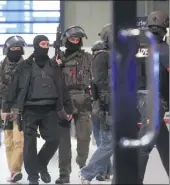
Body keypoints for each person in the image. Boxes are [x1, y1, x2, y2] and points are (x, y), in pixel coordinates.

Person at [1, 35, 73, 184]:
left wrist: (68, 107)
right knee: (29, 144)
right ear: (36, 45)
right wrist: (6, 108)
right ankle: (33, 176)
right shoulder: (24, 66)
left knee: (54, 140)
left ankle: (40, 165)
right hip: (29, 110)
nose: (46, 46)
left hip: (50, 110)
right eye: (42, 43)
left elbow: (62, 88)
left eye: (47, 44)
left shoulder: (54, 66)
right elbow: (13, 88)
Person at [0, 35, 27, 182]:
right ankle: (13, 172)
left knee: (19, 141)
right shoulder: (0, 68)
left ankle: (15, 169)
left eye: (18, 48)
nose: (16, 50)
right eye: (13, 48)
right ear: (7, 50)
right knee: (9, 141)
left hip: (22, 109)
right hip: (5, 108)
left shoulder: (28, 66)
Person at [54, 26, 93, 184]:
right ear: (65, 40)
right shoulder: (58, 59)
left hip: (83, 100)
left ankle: (82, 166)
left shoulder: (88, 58)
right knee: (63, 141)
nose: (76, 42)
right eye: (72, 39)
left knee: (84, 136)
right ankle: (64, 173)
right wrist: (56, 65)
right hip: (64, 101)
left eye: (78, 39)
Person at [79, 24, 113, 184]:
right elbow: (101, 83)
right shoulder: (102, 57)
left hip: (103, 106)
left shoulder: (109, 56)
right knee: (106, 142)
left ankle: (105, 171)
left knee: (105, 142)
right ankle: (88, 172)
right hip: (104, 107)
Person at [137, 11, 169, 184]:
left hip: (137, 100)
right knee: (144, 145)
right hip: (154, 101)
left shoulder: (138, 48)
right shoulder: (164, 50)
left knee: (165, 145)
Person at [90, 40, 112, 181]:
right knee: (104, 141)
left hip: (101, 105)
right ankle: (106, 170)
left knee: (102, 141)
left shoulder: (100, 57)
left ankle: (100, 171)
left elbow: (98, 83)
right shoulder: (110, 58)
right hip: (105, 104)